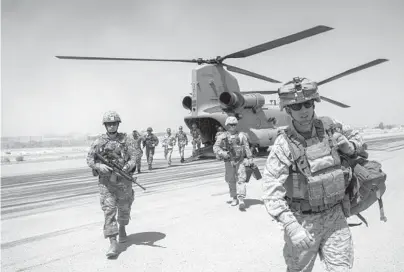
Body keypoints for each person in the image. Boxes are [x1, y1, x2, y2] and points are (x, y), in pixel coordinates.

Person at [261, 78, 364, 271]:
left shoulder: (331, 127)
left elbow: (358, 139)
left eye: (307, 104)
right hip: (303, 221)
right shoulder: (283, 145)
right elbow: (271, 191)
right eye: (296, 106)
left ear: (314, 102)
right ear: (288, 109)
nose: (303, 110)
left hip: (335, 216)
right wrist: (291, 226)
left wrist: (350, 148)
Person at [86, 111, 141, 258]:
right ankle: (112, 242)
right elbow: (89, 159)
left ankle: (122, 228)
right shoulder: (99, 142)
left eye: (114, 123)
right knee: (109, 210)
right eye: (109, 124)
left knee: (124, 207)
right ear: (105, 126)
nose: (111, 126)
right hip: (106, 182)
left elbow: (135, 156)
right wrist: (99, 166)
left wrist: (127, 167)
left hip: (123, 180)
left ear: (118, 124)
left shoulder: (126, 139)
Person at [213, 116, 254, 210]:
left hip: (240, 161)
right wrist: (222, 153)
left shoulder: (241, 135)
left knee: (241, 179)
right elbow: (215, 147)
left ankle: (241, 199)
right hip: (229, 161)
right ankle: (234, 197)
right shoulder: (222, 136)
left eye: (234, 124)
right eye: (231, 125)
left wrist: (250, 158)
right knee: (231, 180)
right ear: (227, 125)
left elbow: (247, 147)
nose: (233, 126)